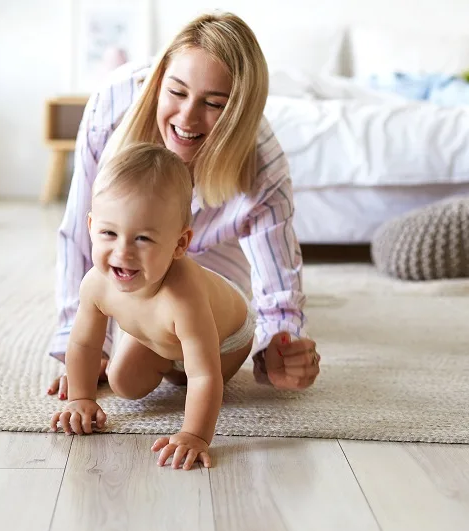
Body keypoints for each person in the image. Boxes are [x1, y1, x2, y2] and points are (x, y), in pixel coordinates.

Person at [47, 11, 320, 405]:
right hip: (133, 245)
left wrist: (281, 345)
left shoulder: (261, 161)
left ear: (239, 113)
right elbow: (80, 232)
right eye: (176, 92)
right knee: (125, 370)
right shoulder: (112, 104)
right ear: (158, 82)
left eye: (213, 103)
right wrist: (86, 352)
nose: (187, 117)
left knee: (189, 333)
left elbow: (277, 283)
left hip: (215, 259)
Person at [50, 143, 260, 469]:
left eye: (143, 239)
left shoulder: (183, 298)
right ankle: (166, 359)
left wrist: (195, 435)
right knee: (123, 383)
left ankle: (175, 366)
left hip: (225, 340)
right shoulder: (95, 284)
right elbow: (83, 343)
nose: (123, 252)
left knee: (193, 379)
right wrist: (80, 398)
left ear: (180, 244)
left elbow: (205, 374)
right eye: (109, 233)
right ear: (91, 227)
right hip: (158, 333)